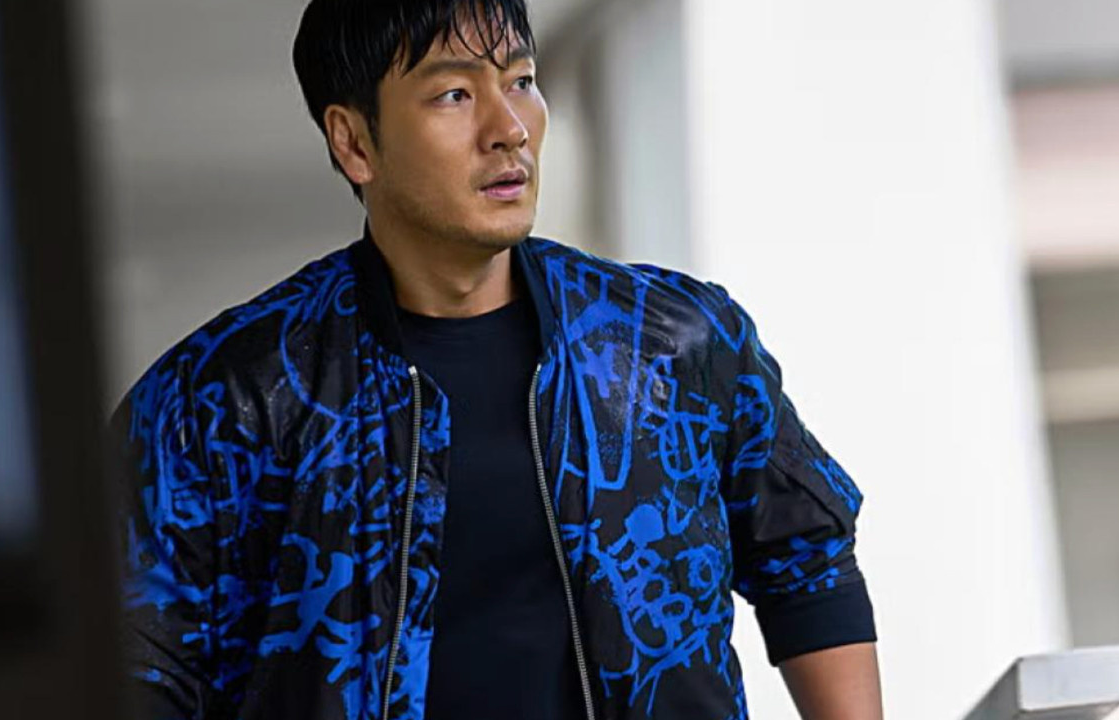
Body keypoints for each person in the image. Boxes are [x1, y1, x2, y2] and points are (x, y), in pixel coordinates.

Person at [109, 0, 883, 718]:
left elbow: (807, 562)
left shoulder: (674, 344)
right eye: (454, 94)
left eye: (521, 81)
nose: (509, 127)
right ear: (354, 142)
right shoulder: (223, 400)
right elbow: (137, 665)